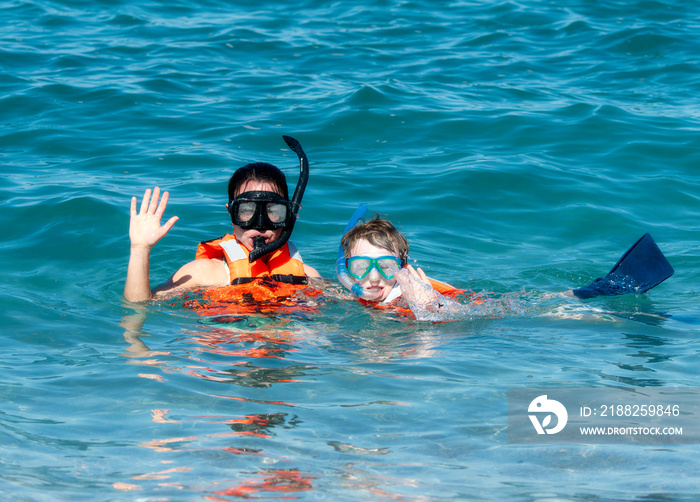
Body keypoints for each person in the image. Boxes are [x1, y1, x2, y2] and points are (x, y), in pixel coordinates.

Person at [124, 136, 320, 303]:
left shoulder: (307, 276)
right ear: (231, 213)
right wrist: (140, 249)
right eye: (247, 211)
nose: (260, 224)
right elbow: (140, 305)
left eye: (273, 212)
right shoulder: (205, 273)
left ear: (289, 215)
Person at [337, 212, 459, 305]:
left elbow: (468, 314)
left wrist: (429, 307)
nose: (374, 278)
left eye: (385, 266)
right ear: (348, 270)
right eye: (362, 267)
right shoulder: (351, 292)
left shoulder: (420, 292)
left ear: (402, 267)